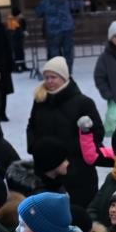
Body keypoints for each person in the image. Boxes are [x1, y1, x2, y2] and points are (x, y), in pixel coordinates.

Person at [26, 56, 104, 208]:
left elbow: (97, 132)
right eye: (46, 77)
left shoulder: (83, 103)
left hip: (77, 171)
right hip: (46, 172)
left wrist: (72, 152)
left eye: (53, 77)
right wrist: (34, 147)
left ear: (64, 77)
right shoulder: (40, 101)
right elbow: (32, 125)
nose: (49, 81)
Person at [35, 0, 76, 75]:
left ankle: (57, 71)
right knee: (68, 52)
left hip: (53, 30)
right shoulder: (63, 0)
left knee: (54, 52)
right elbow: (73, 4)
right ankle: (68, 71)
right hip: (67, 28)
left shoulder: (44, 2)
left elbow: (38, 13)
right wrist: (85, 3)